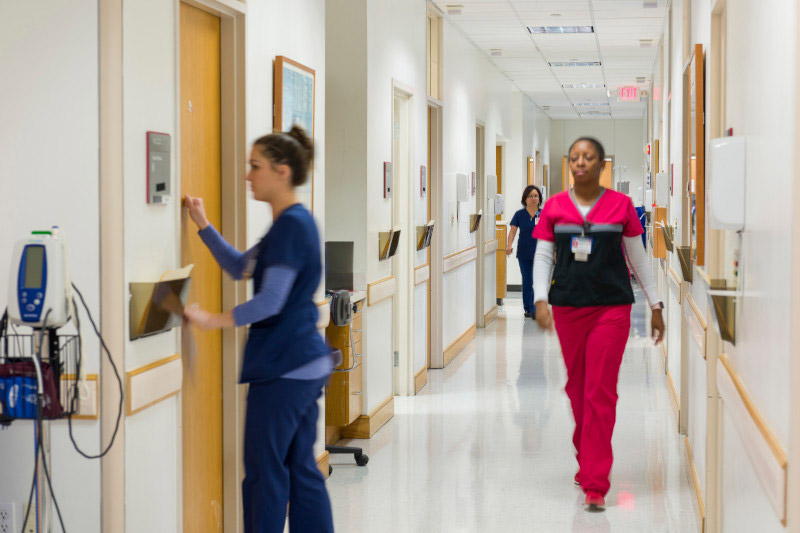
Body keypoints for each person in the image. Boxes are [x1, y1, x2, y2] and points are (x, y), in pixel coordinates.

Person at [183, 125, 334, 532]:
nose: (248, 175)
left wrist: (211, 320)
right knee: (300, 469)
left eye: (255, 166)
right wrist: (203, 224)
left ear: (282, 171)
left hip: (285, 368)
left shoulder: (291, 227)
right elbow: (239, 266)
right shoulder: (292, 223)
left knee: (266, 474)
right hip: (304, 362)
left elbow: (270, 301)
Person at [532, 137, 665, 512]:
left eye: (588, 157)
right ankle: (586, 452)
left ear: (601, 163)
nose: (581, 163)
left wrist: (655, 304)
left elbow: (637, 258)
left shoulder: (621, 205)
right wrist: (541, 298)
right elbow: (544, 256)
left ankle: (595, 482)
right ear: (569, 163)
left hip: (612, 307)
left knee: (600, 392)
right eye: (574, 157)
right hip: (569, 308)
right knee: (577, 389)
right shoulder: (555, 206)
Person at [506, 185, 543, 317]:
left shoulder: (543, 214)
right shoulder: (519, 214)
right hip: (523, 253)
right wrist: (509, 245)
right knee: (527, 280)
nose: (533, 198)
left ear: (539, 199)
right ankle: (527, 307)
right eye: (530, 196)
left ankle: (534, 309)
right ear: (525, 199)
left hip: (540, 253)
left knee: (536, 280)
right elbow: (512, 232)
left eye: (536, 196)